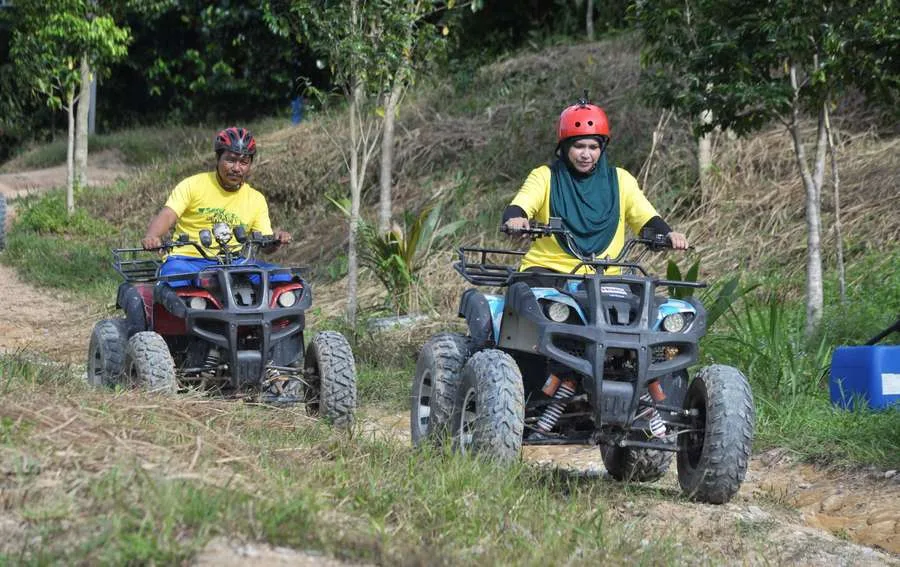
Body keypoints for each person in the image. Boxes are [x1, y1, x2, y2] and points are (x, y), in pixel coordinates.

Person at [503, 96, 687, 277]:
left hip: (606, 276)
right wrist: (516, 220)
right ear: (565, 147)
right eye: (579, 146)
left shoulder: (621, 180)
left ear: (602, 149)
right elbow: (520, 206)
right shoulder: (545, 177)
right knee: (533, 301)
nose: (586, 154)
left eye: (593, 147)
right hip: (548, 271)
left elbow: (647, 218)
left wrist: (669, 235)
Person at [142, 126, 292, 284]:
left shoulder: (256, 199)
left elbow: (265, 244)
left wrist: (276, 240)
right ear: (218, 158)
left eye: (243, 162)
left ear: (250, 164)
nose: (236, 168)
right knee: (175, 280)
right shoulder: (193, 185)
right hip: (187, 261)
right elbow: (168, 214)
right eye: (230, 160)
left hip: (234, 263)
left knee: (282, 278)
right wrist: (153, 236)